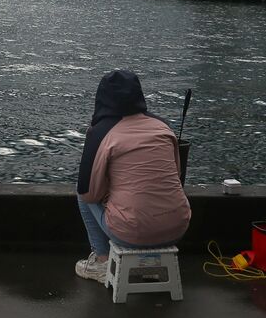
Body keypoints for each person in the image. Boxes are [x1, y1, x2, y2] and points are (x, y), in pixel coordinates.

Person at [74, 70, 191, 284]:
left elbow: (89, 192)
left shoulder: (100, 132)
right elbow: (177, 173)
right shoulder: (163, 127)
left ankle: (101, 262)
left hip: (132, 234)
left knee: (81, 193)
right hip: (178, 226)